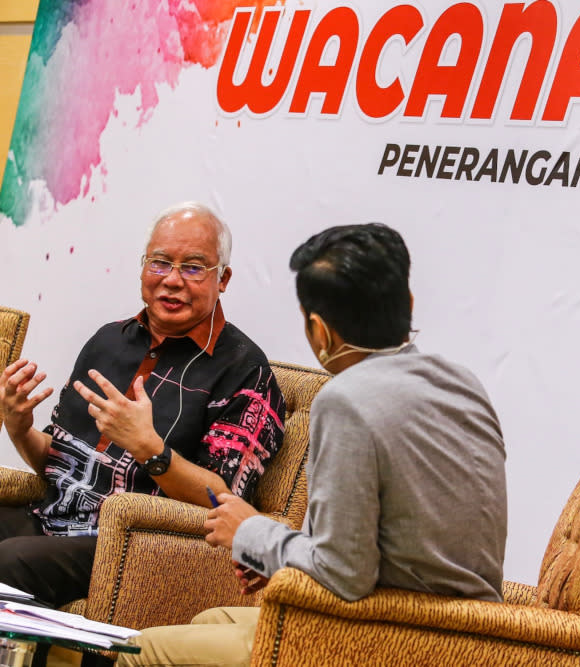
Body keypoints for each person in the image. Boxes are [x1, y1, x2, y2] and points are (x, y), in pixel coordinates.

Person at [119, 223, 507, 666]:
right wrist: (269, 551)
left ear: (319, 332)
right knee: (215, 619)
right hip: (469, 639)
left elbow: (342, 574)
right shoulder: (464, 385)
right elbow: (384, 550)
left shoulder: (347, 400)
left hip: (385, 641)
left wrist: (249, 532)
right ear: (409, 305)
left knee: (137, 652)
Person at [0, 202, 286, 615]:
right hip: (51, 518)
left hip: (129, 546)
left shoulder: (244, 372)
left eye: (193, 267)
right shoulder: (108, 341)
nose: (172, 280)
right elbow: (58, 463)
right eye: (160, 263)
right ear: (142, 268)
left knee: (8, 563)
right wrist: (19, 426)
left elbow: (225, 500)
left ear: (222, 279)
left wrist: (151, 449)